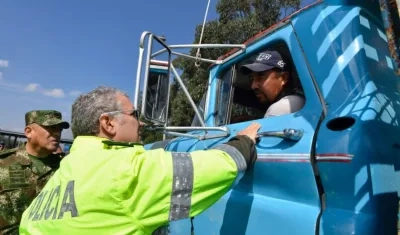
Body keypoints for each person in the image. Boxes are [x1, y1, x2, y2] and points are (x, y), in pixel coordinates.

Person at [19, 86, 260, 235]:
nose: (141, 122)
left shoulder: (65, 170)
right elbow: (220, 167)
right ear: (108, 123)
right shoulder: (126, 169)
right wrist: (244, 141)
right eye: (134, 115)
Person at [0, 110, 70, 234]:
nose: (57, 133)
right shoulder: (4, 163)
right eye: (51, 127)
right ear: (29, 132)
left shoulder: (65, 167)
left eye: (59, 129)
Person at [240, 50, 305, 117]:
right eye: (252, 79)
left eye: (261, 76)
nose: (253, 86)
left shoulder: (278, 110)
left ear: (283, 77)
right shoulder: (300, 101)